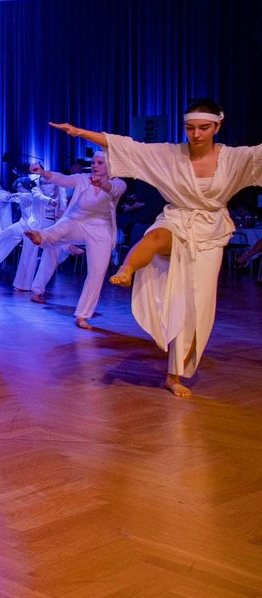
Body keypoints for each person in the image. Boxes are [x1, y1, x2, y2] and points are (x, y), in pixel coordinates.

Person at [49, 101, 262, 397]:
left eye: (203, 128)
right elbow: (128, 147)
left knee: (196, 307)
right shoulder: (170, 155)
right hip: (177, 219)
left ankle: (174, 375)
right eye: (190, 128)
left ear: (217, 126)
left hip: (210, 232)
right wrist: (80, 132)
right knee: (156, 236)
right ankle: (127, 269)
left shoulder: (234, 159)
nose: (196, 134)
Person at [25, 153, 126, 329]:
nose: (94, 165)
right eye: (93, 162)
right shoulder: (83, 179)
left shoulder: (118, 183)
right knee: (62, 227)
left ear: (110, 165)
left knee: (97, 272)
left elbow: (114, 190)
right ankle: (42, 237)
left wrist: (101, 184)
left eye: (99, 163)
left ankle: (82, 315)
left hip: (101, 227)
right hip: (77, 220)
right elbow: (63, 179)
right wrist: (43, 172)